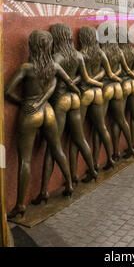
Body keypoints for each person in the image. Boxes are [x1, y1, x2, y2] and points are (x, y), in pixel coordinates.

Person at [5, 30, 79, 218]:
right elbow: (70, 82)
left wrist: (24, 102)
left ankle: (20, 204)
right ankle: (69, 184)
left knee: (25, 160)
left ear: (32, 45)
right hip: (49, 112)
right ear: (49, 46)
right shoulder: (53, 66)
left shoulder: (27, 68)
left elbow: (8, 91)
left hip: (30, 113)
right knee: (57, 148)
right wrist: (75, 90)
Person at [32, 24, 102, 205]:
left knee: (52, 147)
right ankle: (93, 170)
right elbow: (85, 79)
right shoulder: (78, 55)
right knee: (80, 139)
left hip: (60, 101)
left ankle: (45, 190)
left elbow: (50, 83)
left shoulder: (56, 57)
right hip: (76, 99)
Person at [69, 26, 121, 179]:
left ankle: (74, 175)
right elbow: (109, 73)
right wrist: (101, 81)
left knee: (76, 136)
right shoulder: (101, 53)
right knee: (101, 127)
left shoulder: (80, 55)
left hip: (85, 93)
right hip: (99, 93)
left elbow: (82, 77)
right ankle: (109, 158)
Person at [99, 33, 134, 161]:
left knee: (100, 125)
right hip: (118, 86)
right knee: (120, 120)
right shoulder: (119, 52)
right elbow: (124, 69)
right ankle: (131, 147)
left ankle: (109, 156)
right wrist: (133, 77)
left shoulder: (101, 52)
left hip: (105, 88)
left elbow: (104, 72)